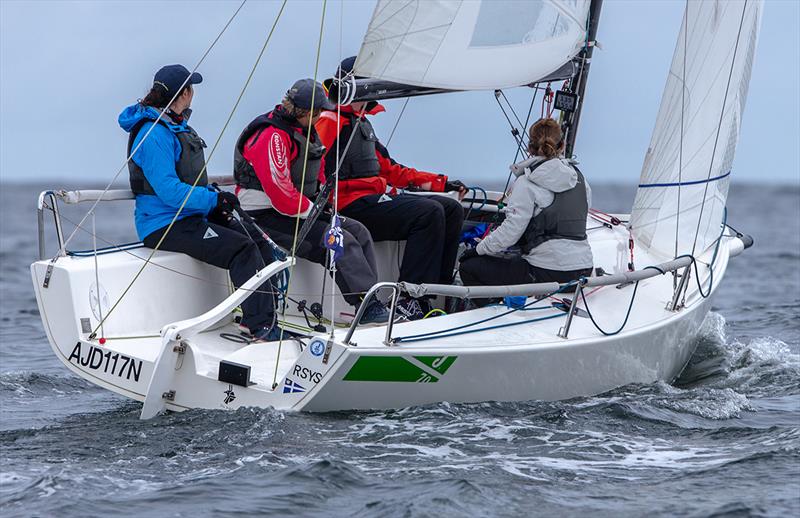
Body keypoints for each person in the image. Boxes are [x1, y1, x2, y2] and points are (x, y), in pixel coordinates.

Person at [118, 64, 279, 340]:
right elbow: (168, 191)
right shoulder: (153, 133)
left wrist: (216, 198)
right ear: (183, 94)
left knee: (257, 241)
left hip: (190, 215)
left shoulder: (174, 124)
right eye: (191, 89)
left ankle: (266, 316)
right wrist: (212, 200)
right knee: (241, 250)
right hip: (164, 224)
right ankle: (259, 326)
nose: (193, 95)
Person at [316, 56, 467, 320]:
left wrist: (441, 183)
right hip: (348, 205)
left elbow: (391, 170)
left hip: (372, 198)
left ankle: (436, 290)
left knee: (451, 208)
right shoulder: (330, 121)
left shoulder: (361, 123)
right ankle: (409, 298)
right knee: (428, 213)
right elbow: (312, 165)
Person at [234, 79, 389, 324]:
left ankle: (371, 300)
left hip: (297, 211)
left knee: (358, 231)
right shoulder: (271, 136)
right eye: (318, 112)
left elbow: (316, 173)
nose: (321, 117)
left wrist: (321, 204)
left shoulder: (304, 130)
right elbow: (281, 195)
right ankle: (364, 306)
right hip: (265, 216)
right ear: (306, 112)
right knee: (339, 239)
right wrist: (312, 209)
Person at [458, 118, 594, 304]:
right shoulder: (581, 181)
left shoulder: (526, 183)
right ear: (562, 146)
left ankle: (497, 313)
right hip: (584, 271)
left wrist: (478, 250)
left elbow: (510, 233)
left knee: (469, 267)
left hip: (548, 274)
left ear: (529, 148)